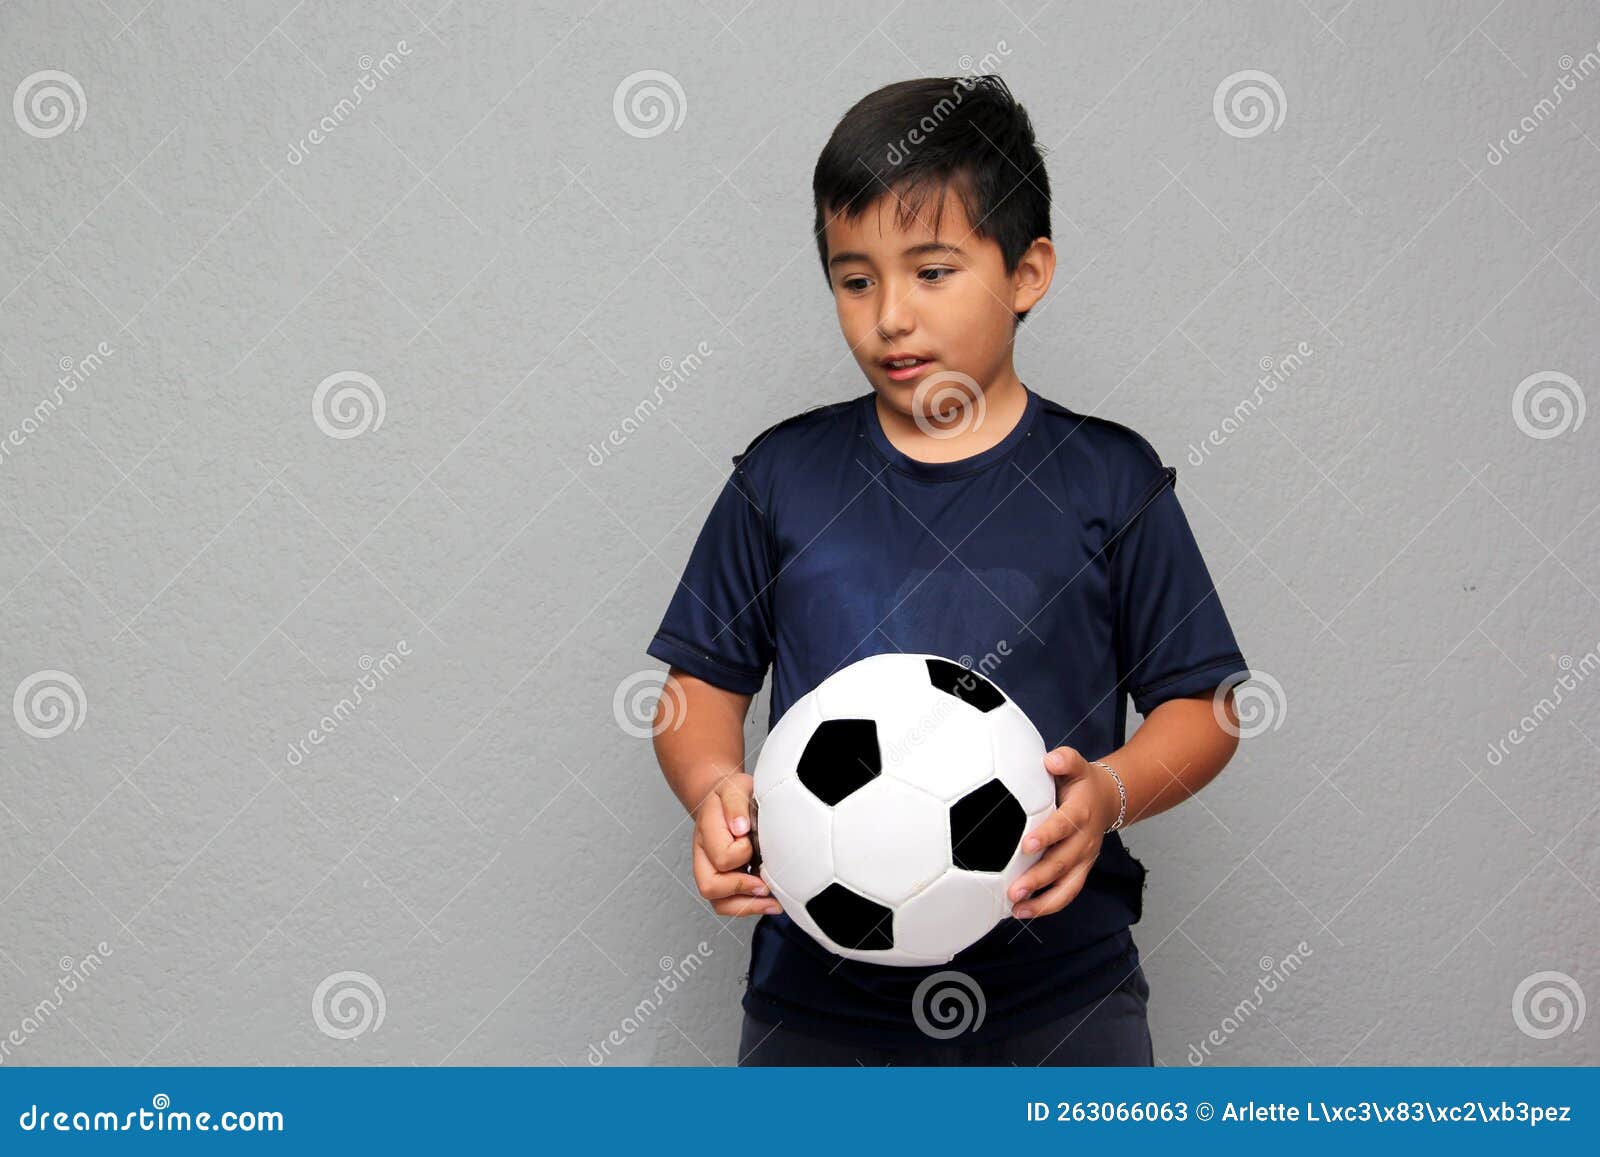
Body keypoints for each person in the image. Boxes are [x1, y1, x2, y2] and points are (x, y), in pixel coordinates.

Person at [645, 75, 1248, 1066]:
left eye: (930, 271)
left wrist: (1109, 787)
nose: (889, 316)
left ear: (1026, 270)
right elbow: (696, 687)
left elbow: (1204, 706)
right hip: (819, 993)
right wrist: (715, 786)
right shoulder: (780, 479)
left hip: (1061, 986)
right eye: (855, 279)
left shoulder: (1109, 480)